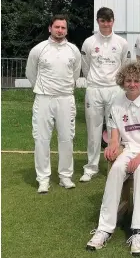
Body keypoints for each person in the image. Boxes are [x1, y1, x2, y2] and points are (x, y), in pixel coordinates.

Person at [85, 62, 140, 256]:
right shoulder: (116, 104)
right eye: (128, 80)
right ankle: (104, 228)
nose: (132, 84)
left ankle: (138, 232)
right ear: (122, 82)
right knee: (117, 169)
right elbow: (115, 138)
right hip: (128, 150)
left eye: (136, 81)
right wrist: (112, 147)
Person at [25, 14, 81, 194]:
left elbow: (75, 74)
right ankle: (43, 178)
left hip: (65, 98)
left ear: (66, 30)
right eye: (57, 27)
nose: (60, 30)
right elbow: (30, 73)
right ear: (50, 28)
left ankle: (65, 176)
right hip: (43, 99)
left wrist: (63, 90)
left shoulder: (73, 50)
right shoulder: (39, 49)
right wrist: (42, 89)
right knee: (41, 139)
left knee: (66, 138)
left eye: (63, 28)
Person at [80, 7, 131, 182]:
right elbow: (85, 67)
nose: (106, 24)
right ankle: (91, 167)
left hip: (114, 89)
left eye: (109, 21)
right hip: (94, 88)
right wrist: (94, 81)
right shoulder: (89, 42)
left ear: (113, 21)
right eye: (103, 21)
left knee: (113, 129)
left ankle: (114, 163)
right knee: (93, 128)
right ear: (98, 21)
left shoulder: (121, 43)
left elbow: (124, 66)